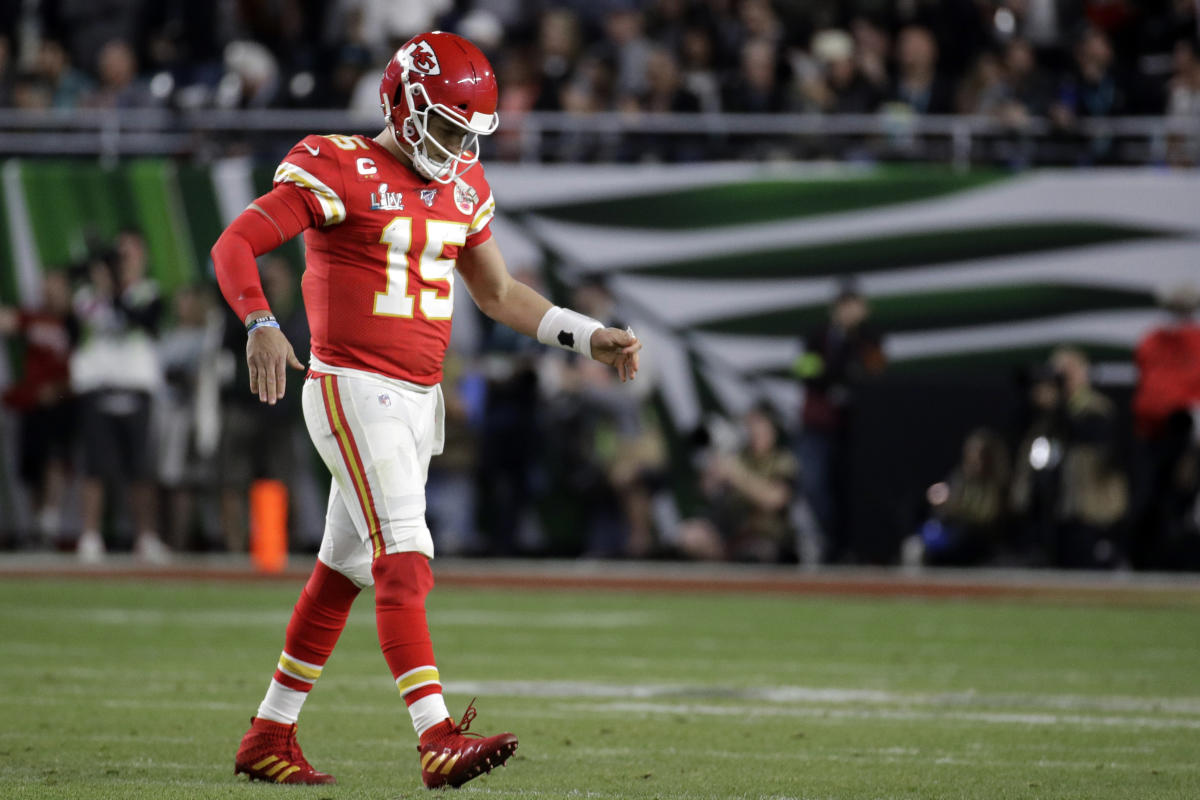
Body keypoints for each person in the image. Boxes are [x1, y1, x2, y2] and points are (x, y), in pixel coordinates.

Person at [211, 32, 641, 788]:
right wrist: (260, 321)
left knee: (341, 570)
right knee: (405, 556)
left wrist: (585, 335)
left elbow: (500, 293)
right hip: (352, 384)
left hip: (417, 398)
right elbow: (236, 244)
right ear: (403, 107)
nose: (455, 145)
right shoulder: (338, 163)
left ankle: (269, 732)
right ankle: (435, 734)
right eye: (445, 125)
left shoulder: (464, 185)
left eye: (467, 131)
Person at [70, 231, 167, 562]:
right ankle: (90, 535)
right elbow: (84, 321)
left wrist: (117, 290)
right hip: (99, 389)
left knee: (141, 468)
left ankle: (147, 536)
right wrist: (104, 287)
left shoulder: (148, 292)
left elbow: (142, 321)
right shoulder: (87, 297)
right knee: (95, 467)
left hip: (137, 390)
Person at [0, 270, 78, 546]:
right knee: (32, 466)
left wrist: (59, 389)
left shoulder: (74, 321)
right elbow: (7, 321)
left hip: (60, 402)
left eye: (55, 286)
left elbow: (84, 363)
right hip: (32, 403)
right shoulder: (33, 317)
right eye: (46, 286)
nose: (49, 291)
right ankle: (38, 526)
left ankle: (51, 517)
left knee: (55, 458)